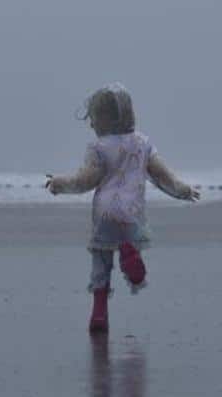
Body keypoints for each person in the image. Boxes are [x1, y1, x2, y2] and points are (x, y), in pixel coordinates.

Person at [46, 84, 199, 332]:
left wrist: (60, 184)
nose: (92, 124)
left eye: (94, 118)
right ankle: (131, 259)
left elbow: (86, 179)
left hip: (105, 214)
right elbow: (162, 176)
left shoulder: (98, 147)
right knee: (131, 242)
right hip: (132, 213)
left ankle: (99, 313)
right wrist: (182, 190)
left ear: (105, 119)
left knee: (101, 261)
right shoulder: (142, 143)